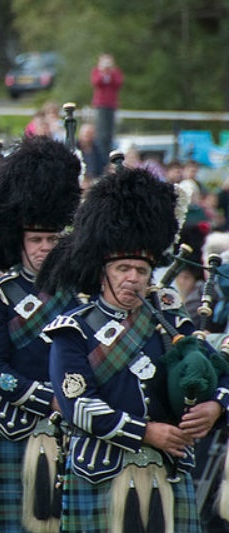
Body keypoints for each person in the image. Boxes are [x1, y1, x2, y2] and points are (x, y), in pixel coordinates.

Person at [40, 166, 229, 533]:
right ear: (101, 273)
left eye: (142, 270)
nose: (133, 278)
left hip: (168, 471)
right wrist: (145, 432)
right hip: (100, 472)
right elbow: (77, 405)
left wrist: (215, 406)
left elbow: (219, 371)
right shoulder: (73, 330)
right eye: (123, 268)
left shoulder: (171, 320)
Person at [0, 135, 83, 533]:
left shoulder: (80, 293)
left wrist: (73, 404)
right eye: (36, 240)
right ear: (20, 242)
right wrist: (50, 399)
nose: (44, 248)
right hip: (15, 428)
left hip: (77, 430)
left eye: (52, 239)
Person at [91, 53, 124, 165]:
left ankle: (109, 158)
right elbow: (96, 82)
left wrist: (110, 73)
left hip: (112, 104)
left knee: (110, 133)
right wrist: (103, 72)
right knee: (101, 133)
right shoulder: (96, 71)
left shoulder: (115, 73)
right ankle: (101, 158)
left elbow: (118, 83)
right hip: (101, 104)